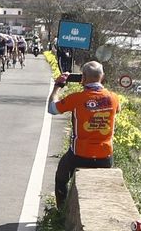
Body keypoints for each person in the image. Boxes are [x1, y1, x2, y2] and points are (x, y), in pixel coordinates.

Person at [48, 60, 120, 207]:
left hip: (79, 154)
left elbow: (52, 108)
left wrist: (58, 86)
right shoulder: (114, 98)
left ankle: (61, 210)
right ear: (103, 76)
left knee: (61, 177)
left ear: (83, 78)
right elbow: (117, 110)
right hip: (104, 155)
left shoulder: (76, 98)